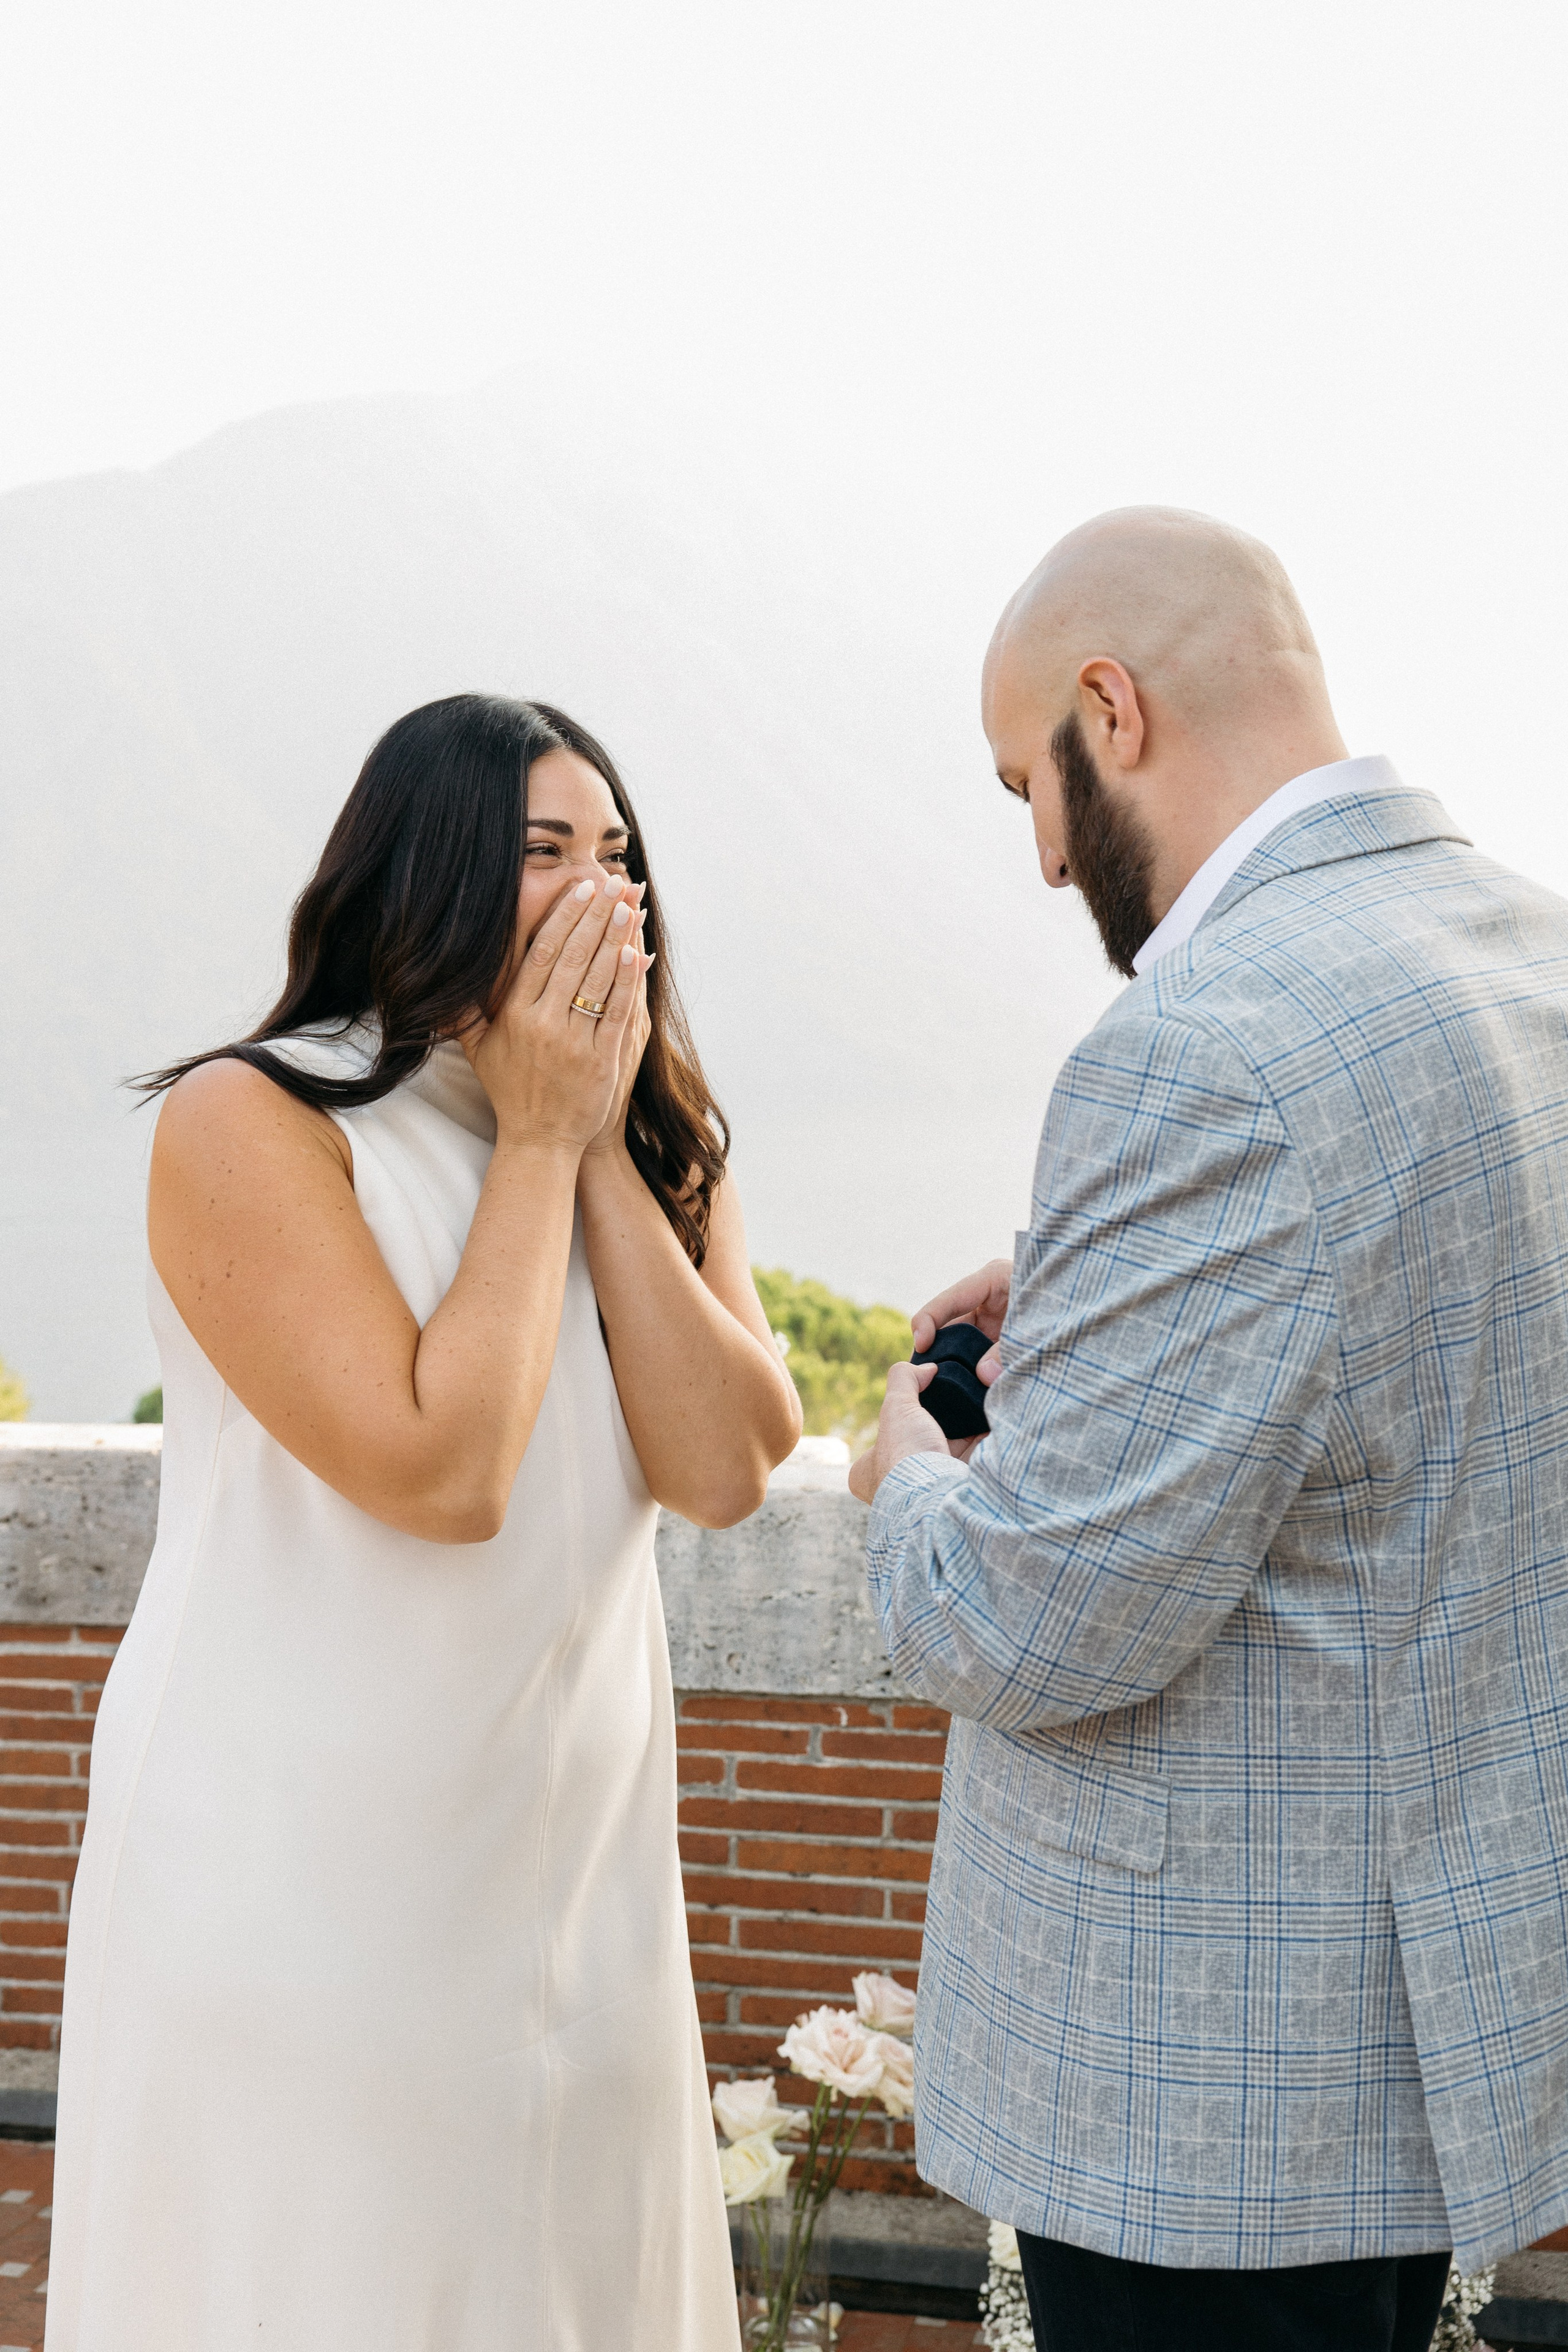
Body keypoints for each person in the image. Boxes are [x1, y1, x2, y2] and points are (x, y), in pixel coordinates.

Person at [850, 508, 1568, 2352]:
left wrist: (907, 1469)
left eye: (1029, 783)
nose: (1035, 855)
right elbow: (1429, 1296)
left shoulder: (1208, 1048)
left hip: (1214, 2099)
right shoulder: (1518, 944)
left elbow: (1029, 1616)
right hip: (1434, 2029)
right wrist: (1088, 1288)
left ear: (1117, 707)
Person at [47, 694, 801, 2351]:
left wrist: (597, 1143)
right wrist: (535, 1132)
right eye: (544, 854)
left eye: (619, 855)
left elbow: (729, 1464)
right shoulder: (255, 1119)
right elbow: (440, 1468)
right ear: (428, 875)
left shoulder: (654, 1141)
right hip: (299, 1892)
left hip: (574, 1894)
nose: (600, 892)